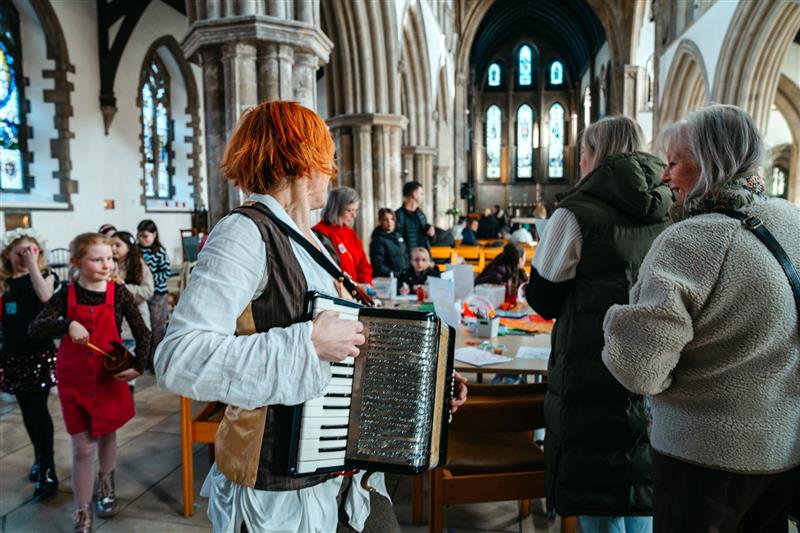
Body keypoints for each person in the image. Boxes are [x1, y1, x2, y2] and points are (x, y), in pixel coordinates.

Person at [153, 101, 468, 533]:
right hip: (280, 485)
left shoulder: (315, 244)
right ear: (301, 159)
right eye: (326, 156)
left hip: (346, 474)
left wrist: (422, 387)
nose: (332, 169)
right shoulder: (243, 233)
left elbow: (346, 346)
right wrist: (308, 344)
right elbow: (178, 358)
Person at [602, 104, 800, 532]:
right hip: (783, 451)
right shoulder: (794, 223)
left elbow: (638, 368)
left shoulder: (692, 239)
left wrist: (616, 319)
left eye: (674, 162)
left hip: (703, 458)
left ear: (711, 163)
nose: (663, 176)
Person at [525, 115, 673, 532]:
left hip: (592, 365)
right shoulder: (670, 208)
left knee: (597, 487)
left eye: (583, 153)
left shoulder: (573, 214)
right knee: (639, 485)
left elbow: (544, 299)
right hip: (653, 369)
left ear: (594, 155)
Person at [30, 233, 149, 533]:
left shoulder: (118, 293)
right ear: (76, 263)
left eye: (109, 258)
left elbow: (144, 333)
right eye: (97, 259)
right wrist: (67, 324)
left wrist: (138, 366)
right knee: (82, 447)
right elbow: (36, 326)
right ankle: (82, 511)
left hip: (108, 377)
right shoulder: (66, 294)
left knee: (108, 433)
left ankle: (106, 482)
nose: (106, 264)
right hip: (75, 380)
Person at [0, 229, 59, 499]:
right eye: (20, 252)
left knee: (39, 409)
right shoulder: (4, 282)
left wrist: (33, 264)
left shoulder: (46, 277)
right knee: (26, 410)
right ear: (7, 255)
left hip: (39, 354)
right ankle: (38, 456)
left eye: (31, 251)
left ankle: (49, 467)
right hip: (13, 356)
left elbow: (45, 297)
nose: (26, 256)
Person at [111, 231, 153, 395]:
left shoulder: (138, 265)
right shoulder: (110, 265)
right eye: (111, 245)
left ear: (129, 247)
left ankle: (127, 398)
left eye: (118, 245)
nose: (114, 249)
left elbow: (148, 291)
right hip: (115, 324)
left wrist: (123, 287)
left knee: (128, 370)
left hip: (133, 323)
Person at [313, 186, 373, 285]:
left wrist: (365, 284)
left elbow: (363, 264)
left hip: (357, 293)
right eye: (349, 211)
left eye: (356, 210)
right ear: (336, 209)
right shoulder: (320, 232)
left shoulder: (350, 233)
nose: (354, 215)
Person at [136, 219, 170, 370]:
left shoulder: (160, 252)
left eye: (145, 236)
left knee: (157, 328)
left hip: (157, 295)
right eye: (139, 236)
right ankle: (143, 359)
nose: (142, 240)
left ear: (154, 235)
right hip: (142, 295)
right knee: (144, 327)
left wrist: (149, 280)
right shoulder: (136, 251)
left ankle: (156, 361)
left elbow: (166, 272)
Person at [395, 181, 434, 258]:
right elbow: (397, 241)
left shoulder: (421, 214)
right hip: (408, 260)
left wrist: (431, 234)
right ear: (414, 194)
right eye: (421, 194)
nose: (423, 197)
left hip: (422, 259)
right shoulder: (398, 215)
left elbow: (426, 239)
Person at [369, 208, 408, 278]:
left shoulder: (399, 236)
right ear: (380, 221)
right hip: (388, 280)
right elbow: (378, 265)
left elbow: (405, 256)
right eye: (385, 220)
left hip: (403, 278)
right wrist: (395, 274)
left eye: (392, 219)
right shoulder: (377, 240)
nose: (389, 222)